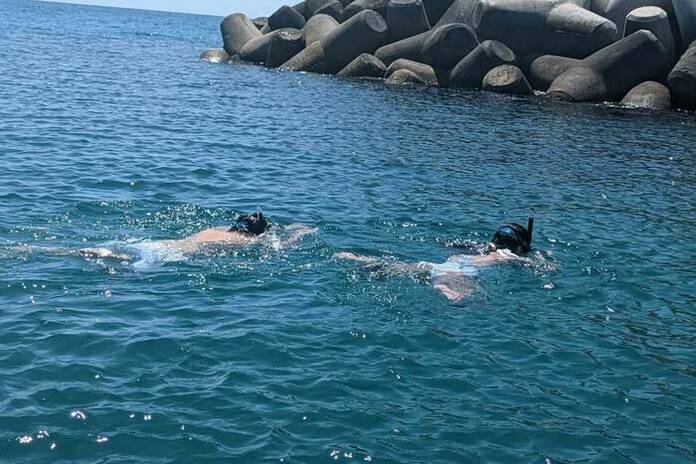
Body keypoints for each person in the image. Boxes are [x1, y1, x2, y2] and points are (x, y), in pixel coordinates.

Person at [335, 212, 536, 302]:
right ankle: (444, 288)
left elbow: (454, 246)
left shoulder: (484, 248)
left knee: (404, 267)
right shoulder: (505, 255)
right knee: (466, 292)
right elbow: (530, 263)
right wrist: (536, 260)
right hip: (464, 270)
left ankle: (359, 259)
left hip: (449, 262)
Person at [75, 212, 317, 265]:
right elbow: (279, 246)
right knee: (122, 266)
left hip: (158, 244)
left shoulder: (217, 230)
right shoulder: (249, 241)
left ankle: (59, 251)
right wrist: (300, 232)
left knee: (104, 252)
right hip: (169, 255)